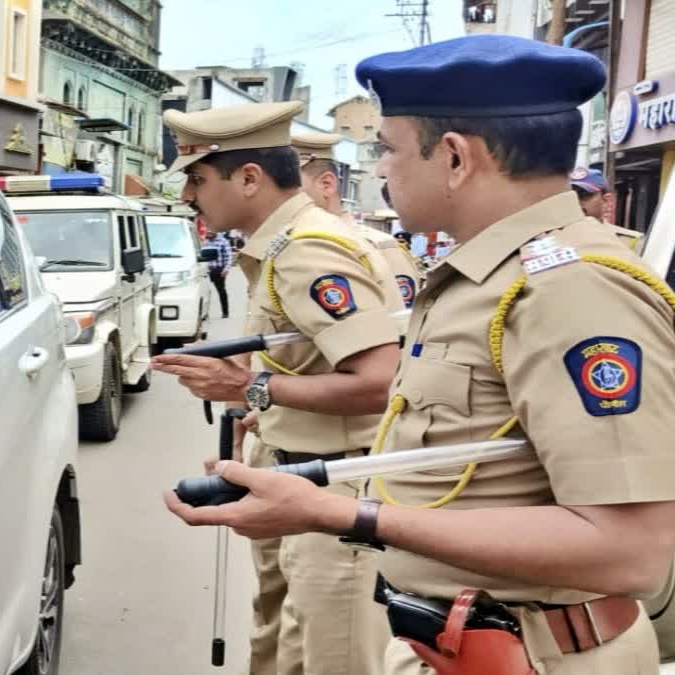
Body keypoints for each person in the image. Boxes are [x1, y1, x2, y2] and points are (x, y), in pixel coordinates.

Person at [165, 34, 675, 675]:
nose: (378, 171)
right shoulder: (484, 275)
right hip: (464, 638)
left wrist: (344, 511)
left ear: (457, 158)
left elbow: (629, 551)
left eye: (389, 149)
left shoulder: (569, 288)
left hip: (534, 653)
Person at [153, 100, 402, 675]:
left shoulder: (306, 251)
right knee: (283, 651)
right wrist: (253, 414)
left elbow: (378, 382)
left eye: (197, 178)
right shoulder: (284, 246)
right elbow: (310, 362)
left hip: (337, 490)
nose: (189, 196)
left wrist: (249, 386)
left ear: (249, 178)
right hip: (305, 478)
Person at [293, 131, 423, 307]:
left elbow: (399, 326)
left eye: (288, 185)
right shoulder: (282, 246)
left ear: (326, 185)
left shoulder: (380, 249)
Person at [571, 166, 646, 251]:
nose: (576, 202)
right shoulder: (555, 239)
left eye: (584, 195)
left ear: (606, 200)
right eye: (570, 196)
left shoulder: (630, 242)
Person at [205, 230, 234, 318]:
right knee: (205, 291)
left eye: (210, 232)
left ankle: (225, 312)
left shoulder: (223, 241)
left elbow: (229, 256)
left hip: (219, 270)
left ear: (215, 232)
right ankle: (204, 313)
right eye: (207, 232)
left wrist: (226, 269)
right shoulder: (206, 242)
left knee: (221, 291)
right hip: (206, 270)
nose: (208, 233)